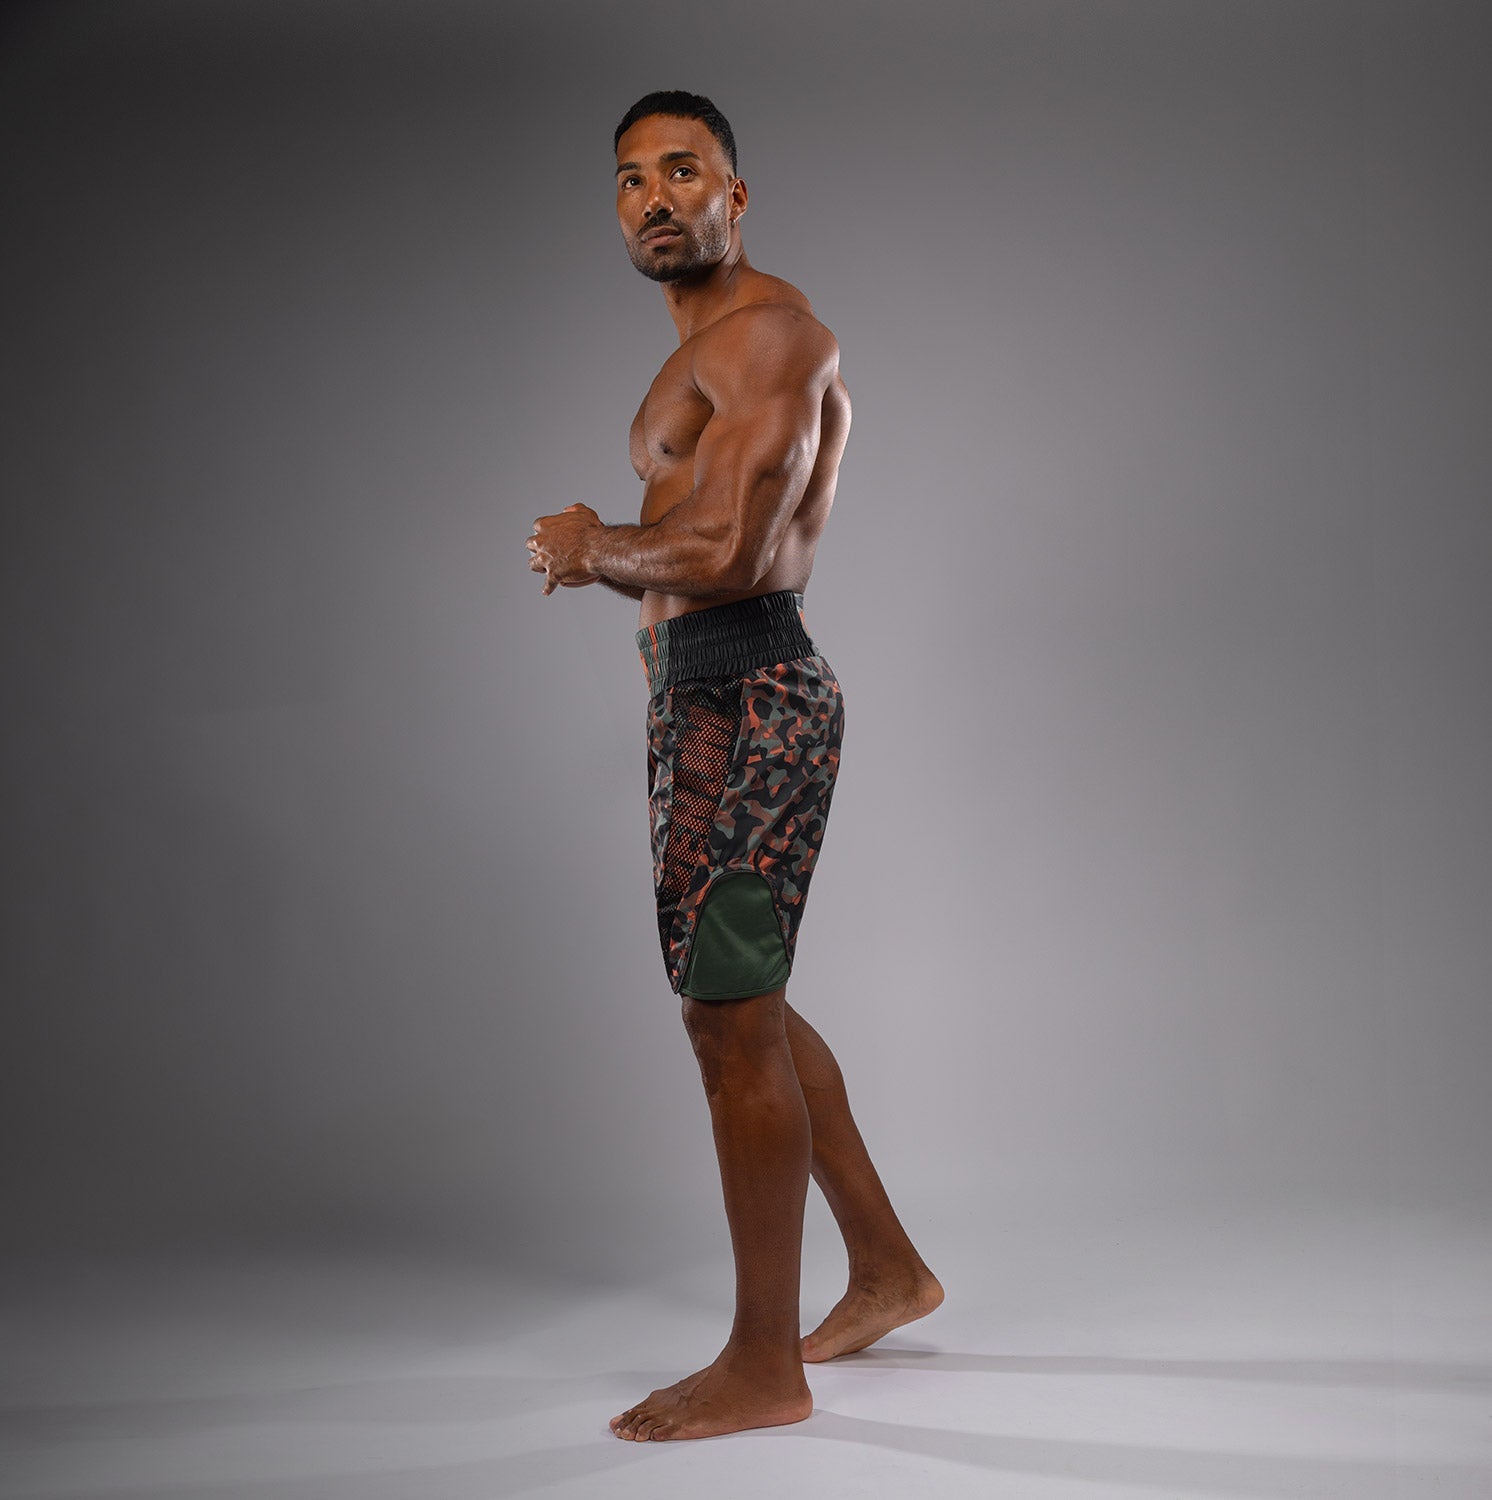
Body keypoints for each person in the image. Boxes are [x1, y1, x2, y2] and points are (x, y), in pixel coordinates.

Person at [526, 89, 942, 1443]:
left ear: (735, 194)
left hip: (749, 693)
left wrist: (592, 547)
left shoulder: (770, 336)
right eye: (630, 178)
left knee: (728, 1022)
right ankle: (887, 1270)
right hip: (701, 697)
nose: (653, 197)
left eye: (683, 170)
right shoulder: (706, 347)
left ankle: (766, 1365)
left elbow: (733, 553)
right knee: (744, 1007)